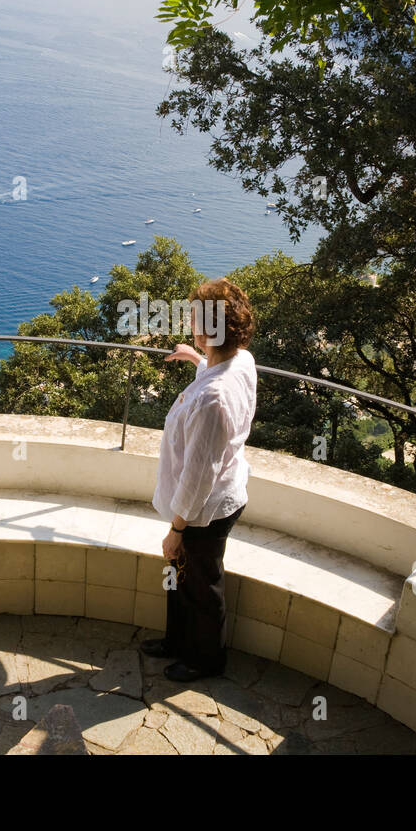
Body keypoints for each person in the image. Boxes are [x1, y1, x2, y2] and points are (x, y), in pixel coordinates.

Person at [141, 277, 257, 682]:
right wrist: (196, 358)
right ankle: (176, 642)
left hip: (202, 511)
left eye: (195, 318)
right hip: (206, 502)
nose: (189, 321)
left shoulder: (214, 399)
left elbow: (198, 474)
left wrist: (177, 529)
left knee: (202, 588)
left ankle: (206, 660)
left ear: (209, 328)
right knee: (179, 578)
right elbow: (215, 375)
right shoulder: (238, 360)